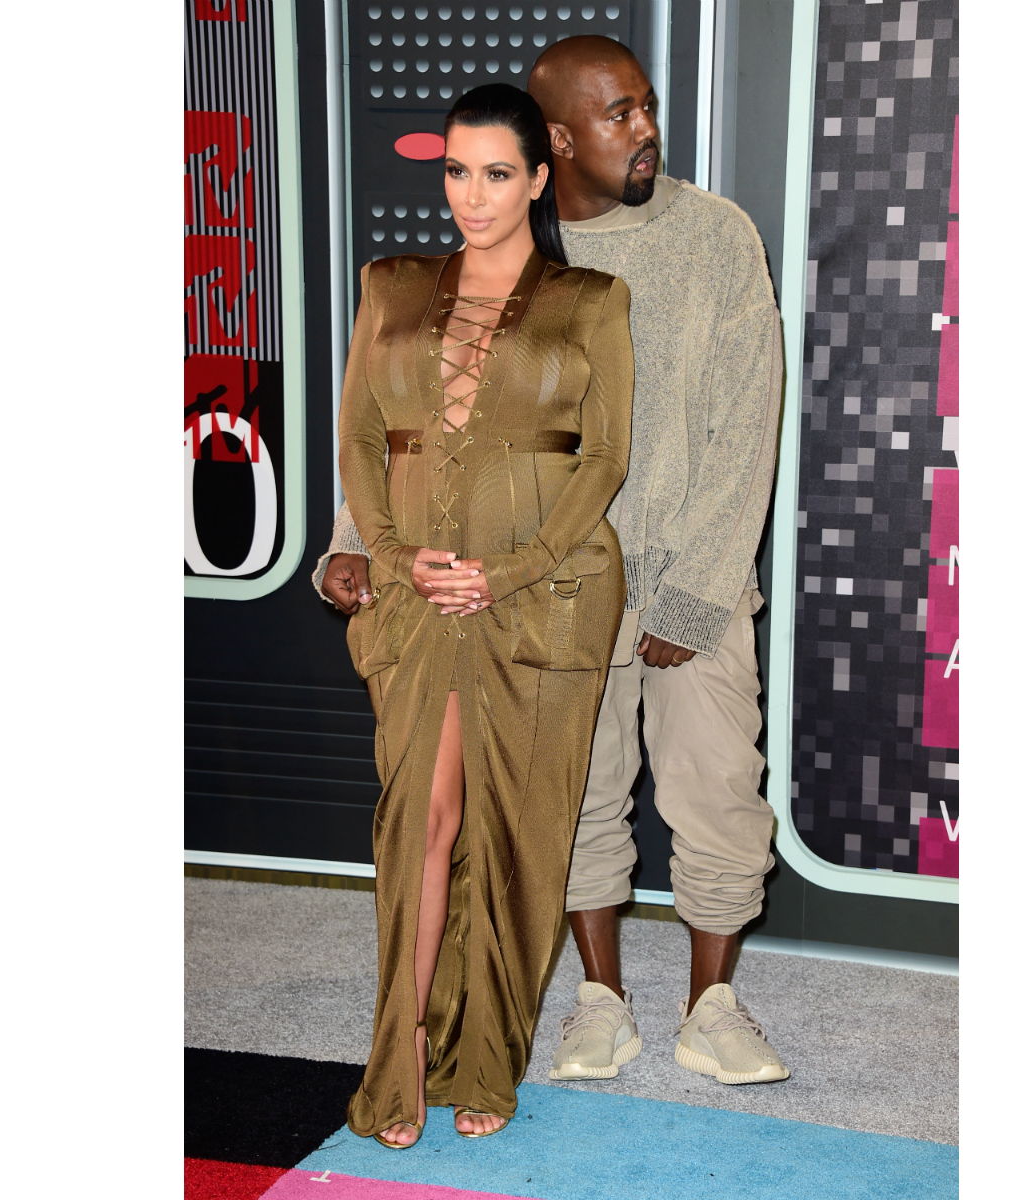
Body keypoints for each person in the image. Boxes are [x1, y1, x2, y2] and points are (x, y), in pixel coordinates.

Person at [320, 37, 787, 1089]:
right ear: (559, 144)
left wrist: (696, 593)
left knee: (720, 791)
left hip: (686, 579)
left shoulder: (715, 235)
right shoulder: (511, 248)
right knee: (569, 802)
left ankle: (713, 1004)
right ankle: (600, 998)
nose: (646, 130)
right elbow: (420, 417)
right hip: (547, 587)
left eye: (646, 106)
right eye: (619, 115)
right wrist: (356, 539)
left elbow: (745, 421)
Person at [333, 82, 632, 1148]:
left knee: (517, 835)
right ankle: (402, 1050)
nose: (472, 194)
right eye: (457, 171)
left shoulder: (591, 300)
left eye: (497, 173)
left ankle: (487, 1058)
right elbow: (359, 437)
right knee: (422, 818)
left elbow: (606, 459)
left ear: (539, 180)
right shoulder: (392, 286)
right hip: (421, 600)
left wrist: (511, 570)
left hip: (545, 599)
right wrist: (393, 555)